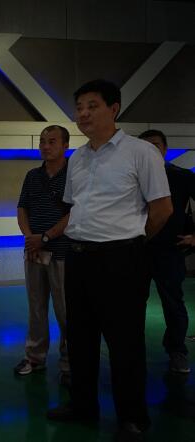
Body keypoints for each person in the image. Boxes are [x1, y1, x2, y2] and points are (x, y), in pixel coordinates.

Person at [46, 79, 173, 440]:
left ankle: (132, 416)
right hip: (78, 257)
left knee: (125, 342)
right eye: (79, 107)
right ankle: (82, 404)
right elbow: (74, 208)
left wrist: (133, 240)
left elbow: (162, 209)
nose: (83, 113)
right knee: (80, 338)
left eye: (92, 105)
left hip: (121, 259)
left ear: (114, 108)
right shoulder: (78, 158)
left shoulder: (141, 153)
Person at [14, 125, 71, 385]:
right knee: (36, 308)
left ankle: (69, 362)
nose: (46, 146)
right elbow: (22, 208)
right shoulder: (32, 176)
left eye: (52, 141)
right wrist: (31, 239)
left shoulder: (74, 175)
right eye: (42, 141)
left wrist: (46, 237)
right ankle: (35, 357)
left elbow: (74, 213)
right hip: (34, 253)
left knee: (66, 310)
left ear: (65, 145)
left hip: (62, 253)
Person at [139, 129, 195, 373]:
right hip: (136, 250)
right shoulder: (133, 177)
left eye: (155, 145)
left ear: (165, 148)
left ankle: (177, 350)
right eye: (145, 147)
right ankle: (132, 350)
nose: (150, 151)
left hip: (170, 250)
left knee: (173, 304)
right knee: (132, 303)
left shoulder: (180, 176)